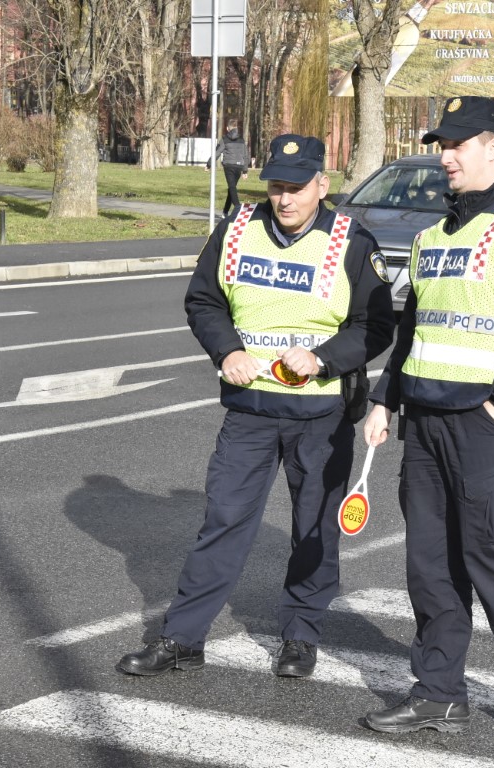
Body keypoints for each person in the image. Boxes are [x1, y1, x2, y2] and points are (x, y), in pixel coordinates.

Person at [117, 134, 396, 680]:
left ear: (323, 184)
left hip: (320, 414)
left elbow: (377, 324)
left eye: (296, 187)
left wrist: (321, 358)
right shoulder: (239, 229)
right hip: (249, 411)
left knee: (314, 528)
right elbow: (203, 299)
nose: (285, 198)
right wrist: (227, 350)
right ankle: (182, 638)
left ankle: (299, 636)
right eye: (276, 186)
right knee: (223, 520)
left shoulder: (352, 241)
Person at [360, 96, 494, 753]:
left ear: (493, 147)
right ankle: (437, 694)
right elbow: (414, 329)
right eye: (440, 145)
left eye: (456, 145)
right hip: (424, 424)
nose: (443, 156)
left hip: (486, 426)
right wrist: (384, 399)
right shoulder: (434, 235)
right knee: (429, 566)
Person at [209, 126, 251, 215]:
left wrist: (208, 164)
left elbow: (217, 152)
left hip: (228, 166)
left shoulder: (224, 139)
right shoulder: (241, 140)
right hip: (239, 166)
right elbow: (246, 155)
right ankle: (225, 211)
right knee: (232, 188)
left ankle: (238, 208)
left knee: (232, 188)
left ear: (227, 128)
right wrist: (245, 170)